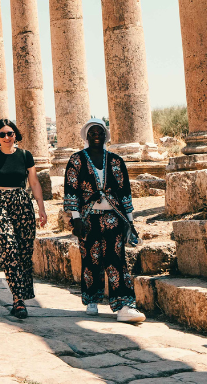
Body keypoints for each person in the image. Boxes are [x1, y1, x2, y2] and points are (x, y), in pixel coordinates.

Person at [64, 119, 147, 323]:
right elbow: (71, 191)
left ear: (106, 135)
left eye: (100, 132)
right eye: (92, 133)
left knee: (116, 259)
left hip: (113, 218)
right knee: (91, 260)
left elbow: (125, 193)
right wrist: (76, 220)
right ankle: (92, 299)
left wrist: (131, 222)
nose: (96, 135)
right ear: (86, 136)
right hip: (87, 219)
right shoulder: (76, 161)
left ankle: (124, 305)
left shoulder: (116, 161)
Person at [0, 118, 48, 320]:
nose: (6, 137)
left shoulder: (26, 156)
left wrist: (41, 209)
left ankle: (21, 296)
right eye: (2, 134)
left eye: (10, 133)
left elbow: (34, 183)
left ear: (15, 134)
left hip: (22, 202)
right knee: (9, 248)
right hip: (0, 202)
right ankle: (17, 300)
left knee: (24, 252)